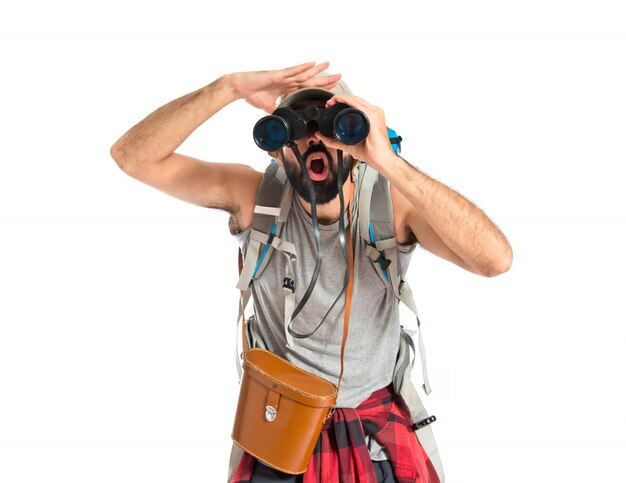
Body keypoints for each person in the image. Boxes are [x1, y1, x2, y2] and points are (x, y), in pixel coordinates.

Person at [110, 61, 513, 483]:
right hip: (280, 431)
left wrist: (387, 161)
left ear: (355, 133)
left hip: (374, 433)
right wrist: (227, 87)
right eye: (296, 127)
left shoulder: (391, 208)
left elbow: (495, 260)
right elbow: (132, 157)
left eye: (330, 123)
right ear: (275, 145)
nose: (312, 138)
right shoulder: (255, 199)